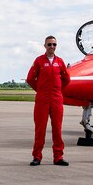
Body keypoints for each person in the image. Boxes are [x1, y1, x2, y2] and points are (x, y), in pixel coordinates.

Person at [26, 35, 70, 166]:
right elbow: (30, 79)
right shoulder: (39, 61)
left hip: (56, 98)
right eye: (49, 44)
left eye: (54, 44)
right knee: (40, 129)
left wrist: (58, 89)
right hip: (42, 99)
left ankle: (58, 157)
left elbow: (66, 79)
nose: (52, 47)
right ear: (45, 46)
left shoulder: (60, 62)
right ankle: (37, 156)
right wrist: (40, 89)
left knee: (57, 129)